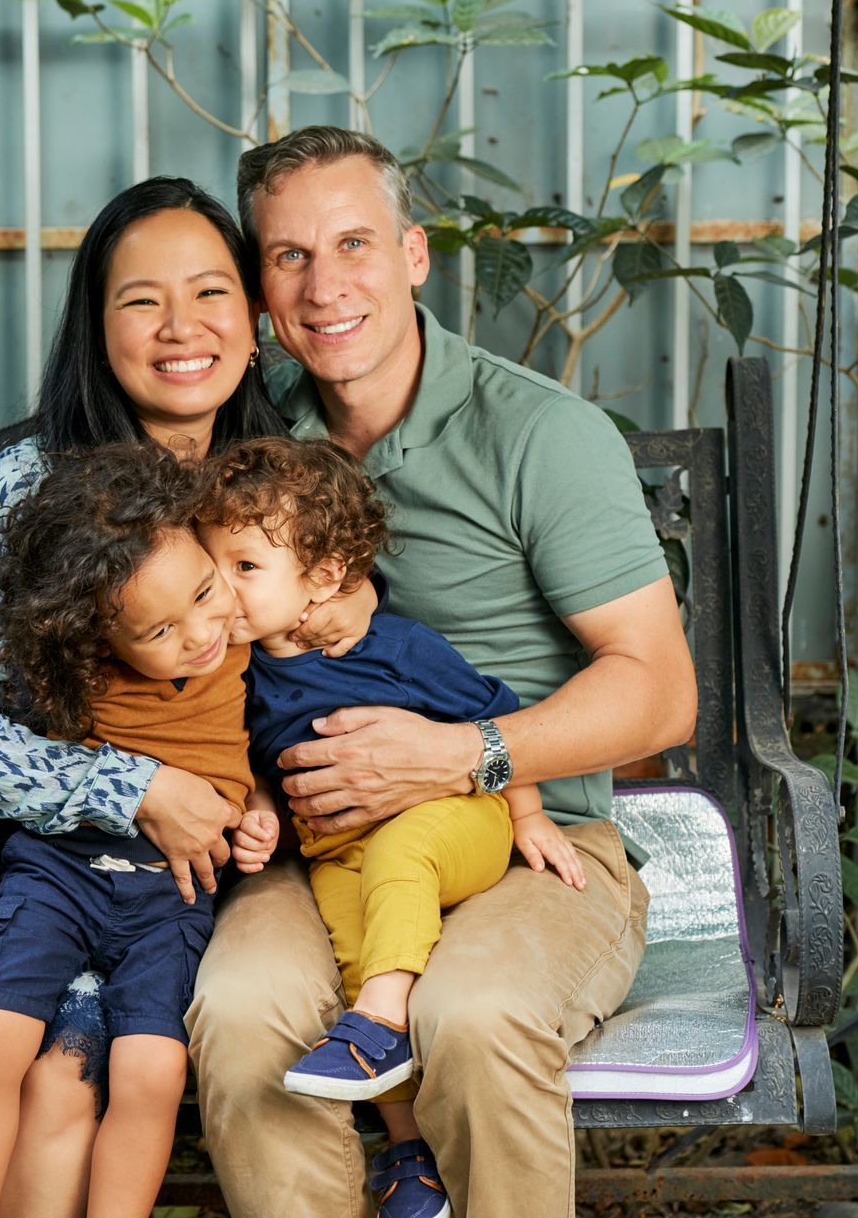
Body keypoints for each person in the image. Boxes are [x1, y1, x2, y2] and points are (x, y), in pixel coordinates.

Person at [0, 175, 353, 1217]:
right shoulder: (30, 485)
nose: (180, 326)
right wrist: (133, 785)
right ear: (96, 330)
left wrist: (257, 807)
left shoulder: (280, 499)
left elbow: (296, 699)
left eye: (211, 293)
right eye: (142, 299)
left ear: (256, 319)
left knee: (61, 1078)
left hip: (152, 895)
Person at [186, 126, 698, 1218]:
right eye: (289, 257)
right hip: (318, 846)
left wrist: (466, 754)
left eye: (355, 243)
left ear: (415, 256)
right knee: (239, 1008)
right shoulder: (253, 437)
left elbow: (659, 689)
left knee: (473, 1012)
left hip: (531, 839)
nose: (326, 287)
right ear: (261, 285)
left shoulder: (539, 435)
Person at [194, 436, 584, 1217]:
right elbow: (261, 762)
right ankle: (410, 1152)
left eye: (245, 569)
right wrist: (263, 812)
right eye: (213, 567)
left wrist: (530, 814)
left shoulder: (397, 648)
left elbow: (494, 714)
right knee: (350, 952)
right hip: (340, 851)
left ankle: (385, 1008)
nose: (222, 590)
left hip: (453, 822)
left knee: (400, 864)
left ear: (325, 575)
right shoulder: (237, 668)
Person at [0, 443, 278, 1218]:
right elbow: (1, 786)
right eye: (157, 630)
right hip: (56, 876)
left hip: (172, 897)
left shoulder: (252, 648)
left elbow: (271, 751)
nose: (198, 632)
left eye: (203, 590)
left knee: (153, 1069)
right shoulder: (72, 681)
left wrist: (262, 815)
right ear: (96, 637)